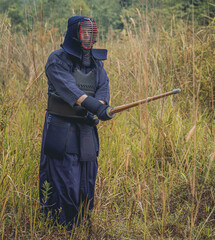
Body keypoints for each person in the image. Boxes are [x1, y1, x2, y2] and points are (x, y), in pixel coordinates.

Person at [39, 16, 115, 230]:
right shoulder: (56, 60)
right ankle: (63, 227)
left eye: (92, 32)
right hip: (61, 130)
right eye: (85, 32)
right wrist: (93, 106)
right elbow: (69, 89)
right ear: (75, 33)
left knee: (87, 179)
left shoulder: (97, 63)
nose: (89, 37)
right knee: (67, 179)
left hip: (86, 128)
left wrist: (99, 105)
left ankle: (82, 226)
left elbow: (103, 86)